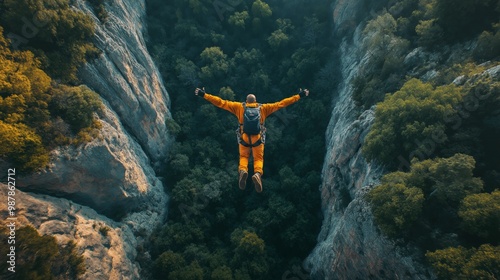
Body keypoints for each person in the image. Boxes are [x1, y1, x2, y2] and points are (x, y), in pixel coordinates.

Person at [194, 87, 309, 192]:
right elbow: (282, 104)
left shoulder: (239, 107)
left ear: (246, 101)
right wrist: (299, 95)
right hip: (258, 138)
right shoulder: (264, 108)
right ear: (255, 101)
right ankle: (257, 174)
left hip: (244, 137)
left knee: (244, 157)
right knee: (258, 158)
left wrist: (204, 94)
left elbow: (220, 102)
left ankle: (243, 171)